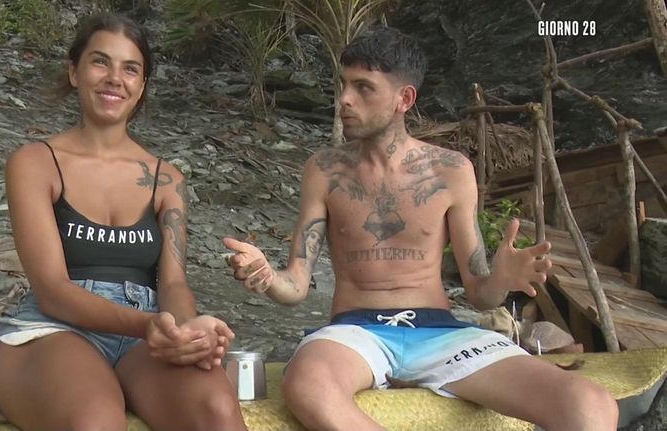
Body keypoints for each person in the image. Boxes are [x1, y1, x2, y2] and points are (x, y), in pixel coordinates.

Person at [224, 27, 618, 431]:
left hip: (439, 334)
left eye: (363, 87)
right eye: (343, 84)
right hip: (354, 334)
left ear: (405, 99)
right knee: (309, 386)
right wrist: (267, 276)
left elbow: (480, 295)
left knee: (590, 404)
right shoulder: (324, 170)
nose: (344, 99)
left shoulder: (450, 171)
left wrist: (501, 280)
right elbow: (296, 285)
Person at [0, 13, 247, 431]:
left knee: (216, 410)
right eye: (100, 62)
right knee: (95, 420)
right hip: (56, 328)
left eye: (130, 69)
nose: (115, 78)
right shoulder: (35, 163)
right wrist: (148, 326)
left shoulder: (167, 179)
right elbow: (53, 290)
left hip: (145, 331)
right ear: (74, 72)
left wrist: (184, 332)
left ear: (142, 86)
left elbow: (173, 284)